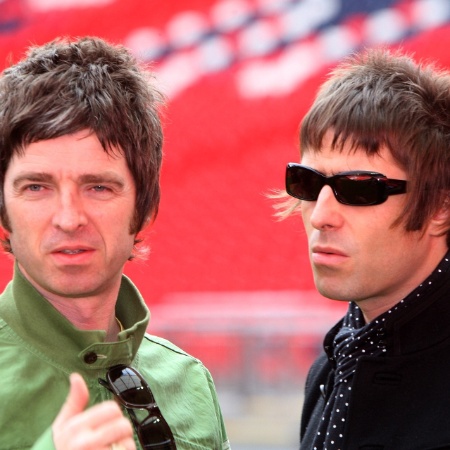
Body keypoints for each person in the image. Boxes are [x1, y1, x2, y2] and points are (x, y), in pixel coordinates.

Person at [0, 36, 230, 450]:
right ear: (3, 211)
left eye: (99, 188)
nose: (69, 218)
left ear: (143, 209)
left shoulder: (188, 381)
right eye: (36, 187)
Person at [279, 48, 450, 449]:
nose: (321, 215)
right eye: (306, 182)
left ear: (441, 207)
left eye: (358, 188)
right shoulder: (333, 361)